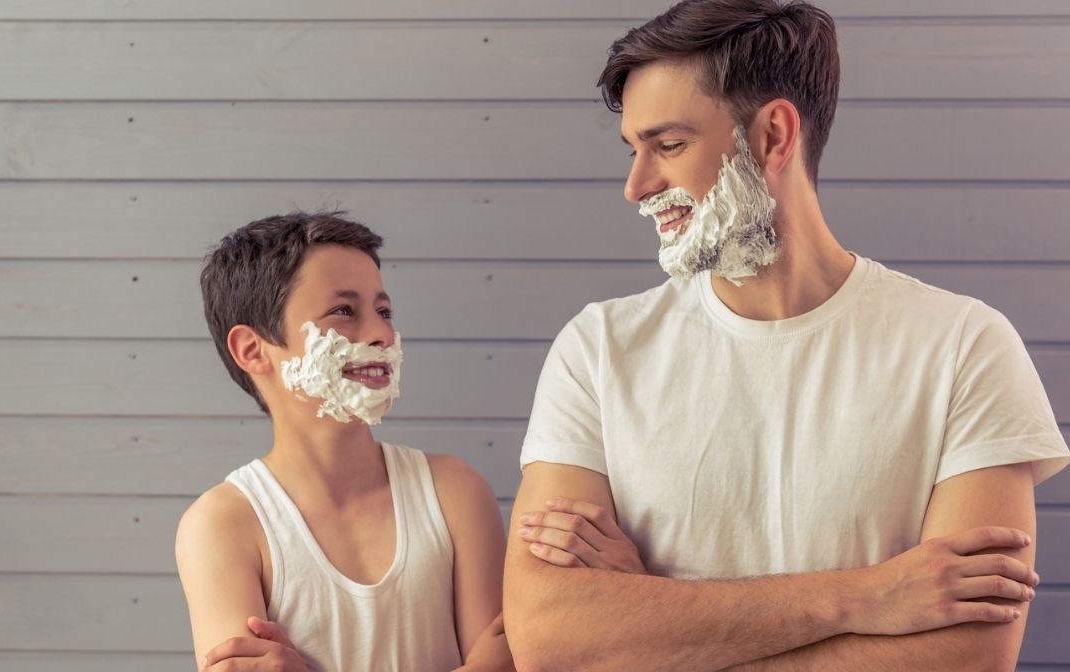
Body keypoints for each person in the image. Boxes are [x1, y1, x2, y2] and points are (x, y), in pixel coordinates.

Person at [502, 1, 1070, 670]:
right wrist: (866, 598)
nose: (637, 186)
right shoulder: (597, 349)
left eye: (669, 144)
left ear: (773, 135)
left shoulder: (963, 346)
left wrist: (656, 615)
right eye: (634, 149)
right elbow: (547, 637)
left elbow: (968, 657)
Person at [176, 211, 511, 671]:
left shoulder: (453, 491)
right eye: (343, 312)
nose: (381, 334)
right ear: (253, 351)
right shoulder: (223, 526)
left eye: (384, 310)